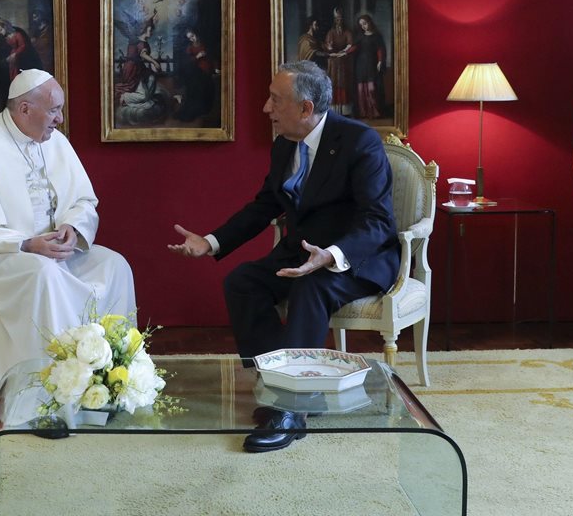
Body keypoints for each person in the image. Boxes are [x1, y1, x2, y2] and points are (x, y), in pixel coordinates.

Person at [167, 61, 399, 452]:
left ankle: (291, 412)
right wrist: (211, 241)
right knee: (242, 283)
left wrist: (330, 255)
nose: (265, 108)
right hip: (300, 252)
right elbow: (264, 206)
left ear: (306, 108)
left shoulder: (360, 142)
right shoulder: (284, 144)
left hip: (355, 257)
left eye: (275, 100)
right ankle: (282, 388)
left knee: (310, 287)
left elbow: (378, 221)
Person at [0, 70, 137, 415]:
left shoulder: (56, 142)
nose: (60, 119)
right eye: (54, 110)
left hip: (54, 249)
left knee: (115, 265)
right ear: (24, 109)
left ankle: (109, 379)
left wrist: (72, 227)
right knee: (44, 275)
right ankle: (51, 397)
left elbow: (84, 201)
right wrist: (24, 243)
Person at [353, 14, 387, 118]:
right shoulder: (360, 36)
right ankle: (364, 112)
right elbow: (354, 47)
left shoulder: (377, 36)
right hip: (361, 65)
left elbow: (380, 49)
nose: (363, 26)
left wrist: (380, 61)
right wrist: (344, 52)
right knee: (361, 90)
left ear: (369, 22)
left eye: (365, 23)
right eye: (361, 25)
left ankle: (374, 112)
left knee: (371, 89)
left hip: (371, 64)